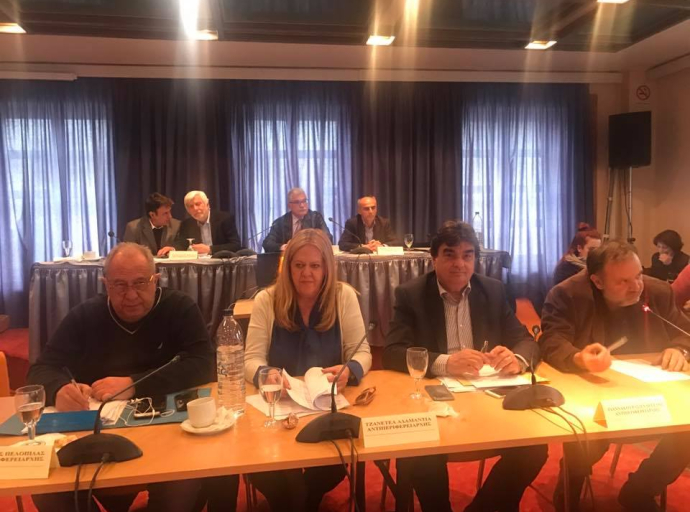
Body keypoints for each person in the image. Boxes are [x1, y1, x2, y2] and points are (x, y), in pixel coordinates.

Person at [26, 243, 229, 512]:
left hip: (167, 436)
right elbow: (40, 369)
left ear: (156, 280)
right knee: (45, 488)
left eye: (140, 283)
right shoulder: (84, 315)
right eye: (120, 285)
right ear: (105, 284)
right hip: (95, 437)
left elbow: (204, 363)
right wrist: (58, 388)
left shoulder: (179, 307)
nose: (131, 295)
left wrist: (133, 384)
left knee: (183, 480)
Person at [382, 220, 546, 512]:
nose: (459, 263)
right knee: (422, 452)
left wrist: (517, 359)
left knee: (534, 448)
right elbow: (393, 352)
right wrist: (446, 362)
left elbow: (526, 341)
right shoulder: (411, 294)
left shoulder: (493, 290)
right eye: (450, 254)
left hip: (488, 398)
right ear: (434, 258)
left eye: (467, 255)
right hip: (434, 401)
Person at [540, 240, 690, 512]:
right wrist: (578, 357)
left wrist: (678, 349)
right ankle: (570, 485)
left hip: (651, 387)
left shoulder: (657, 291)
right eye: (623, 281)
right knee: (586, 437)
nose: (636, 287)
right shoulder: (567, 294)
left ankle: (640, 490)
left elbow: (684, 333)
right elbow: (551, 341)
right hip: (593, 389)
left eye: (638, 276)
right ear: (597, 281)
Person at [245, 229, 372, 511]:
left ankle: (305, 498)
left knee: (339, 455)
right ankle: (295, 500)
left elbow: (362, 352)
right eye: (299, 265)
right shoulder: (267, 299)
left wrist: (349, 370)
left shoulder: (343, 296)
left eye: (315, 266)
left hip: (325, 407)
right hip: (278, 408)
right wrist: (266, 374)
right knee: (263, 465)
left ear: (327, 268)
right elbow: (250, 359)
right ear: (287, 266)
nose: (306, 274)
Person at [261, 188, 332, 253]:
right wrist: (284, 247)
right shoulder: (280, 223)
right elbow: (267, 243)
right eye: (297, 202)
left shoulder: (316, 218)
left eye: (304, 201)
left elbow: (327, 238)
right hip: (289, 259)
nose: (302, 205)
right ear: (289, 205)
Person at [175, 190, 242, 255]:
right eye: (191, 206)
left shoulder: (224, 219)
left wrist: (210, 249)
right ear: (188, 211)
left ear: (207, 204)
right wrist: (173, 249)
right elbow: (181, 245)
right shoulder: (186, 224)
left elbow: (235, 245)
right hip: (198, 261)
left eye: (198, 204)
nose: (195, 208)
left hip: (221, 260)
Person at [123, 192, 180, 257]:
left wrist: (173, 249)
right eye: (165, 213)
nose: (170, 216)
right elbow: (128, 254)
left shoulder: (176, 225)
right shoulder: (133, 228)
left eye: (169, 211)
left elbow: (182, 247)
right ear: (152, 215)